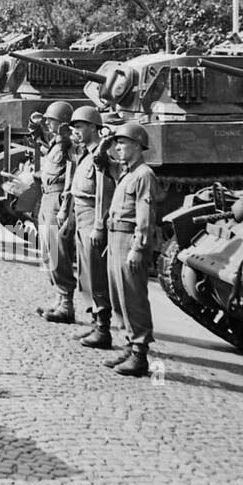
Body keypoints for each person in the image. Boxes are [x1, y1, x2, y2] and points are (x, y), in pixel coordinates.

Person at [102, 122, 159, 376]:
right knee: (118, 295)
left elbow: (145, 217)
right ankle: (129, 343)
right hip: (115, 237)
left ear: (137, 145)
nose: (118, 148)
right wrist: (106, 141)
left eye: (123, 143)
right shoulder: (126, 172)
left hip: (129, 239)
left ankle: (140, 353)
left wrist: (138, 247)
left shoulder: (144, 175)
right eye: (117, 144)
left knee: (133, 297)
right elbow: (99, 161)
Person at [61, 106, 115, 350]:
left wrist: (99, 225)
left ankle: (103, 328)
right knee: (85, 271)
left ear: (93, 127)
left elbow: (104, 193)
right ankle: (95, 322)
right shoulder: (84, 153)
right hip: (80, 212)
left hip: (92, 215)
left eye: (80, 127)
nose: (76, 132)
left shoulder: (101, 155)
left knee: (96, 271)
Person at [33, 101, 76, 322]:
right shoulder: (56, 143)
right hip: (47, 197)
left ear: (62, 124)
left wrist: (66, 207)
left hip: (57, 200)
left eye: (52, 120)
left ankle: (66, 303)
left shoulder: (68, 146)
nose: (47, 123)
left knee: (58, 252)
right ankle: (58, 298)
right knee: (48, 252)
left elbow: (70, 177)